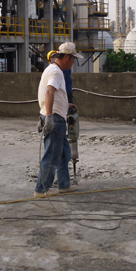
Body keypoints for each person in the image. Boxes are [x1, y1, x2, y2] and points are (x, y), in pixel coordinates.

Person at [34, 42, 83, 198]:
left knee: (63, 154)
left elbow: (52, 94)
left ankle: (64, 185)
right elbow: (49, 92)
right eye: (73, 59)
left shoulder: (52, 69)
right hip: (55, 119)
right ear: (67, 57)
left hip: (56, 116)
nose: (73, 62)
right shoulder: (56, 72)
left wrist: (64, 104)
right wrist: (48, 116)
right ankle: (41, 190)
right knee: (52, 156)